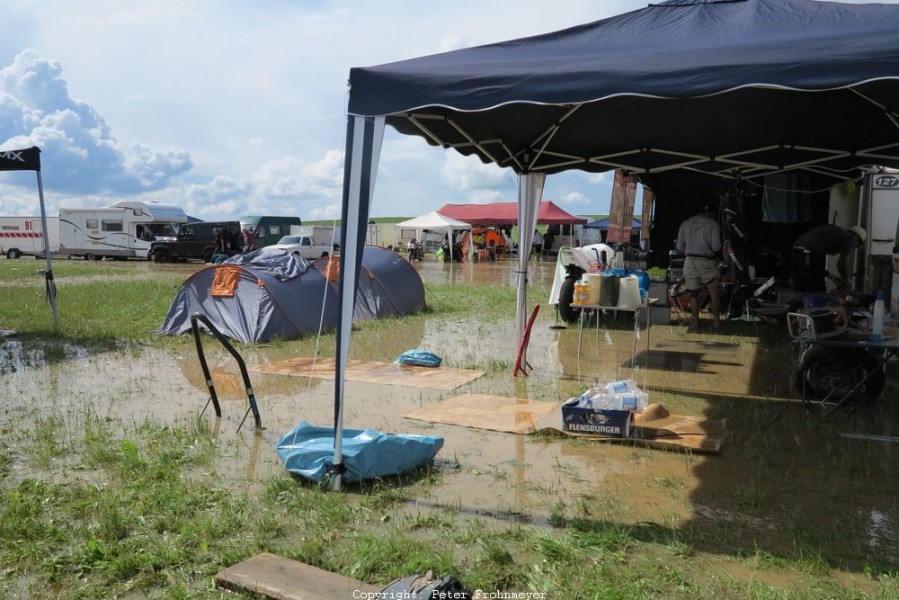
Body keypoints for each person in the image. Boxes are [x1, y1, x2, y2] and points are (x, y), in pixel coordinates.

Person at [676, 205, 722, 330]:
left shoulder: (685, 224)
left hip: (690, 262)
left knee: (693, 295)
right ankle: (717, 323)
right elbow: (716, 247)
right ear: (708, 213)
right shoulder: (712, 224)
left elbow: (680, 247)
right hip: (707, 263)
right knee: (714, 295)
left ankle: (695, 323)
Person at [790, 224, 866, 293]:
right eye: (855, 246)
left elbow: (815, 268)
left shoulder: (837, 232)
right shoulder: (850, 239)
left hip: (796, 249)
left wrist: (831, 276)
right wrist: (846, 278)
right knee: (816, 289)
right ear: (857, 239)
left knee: (800, 287)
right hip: (807, 252)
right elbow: (841, 264)